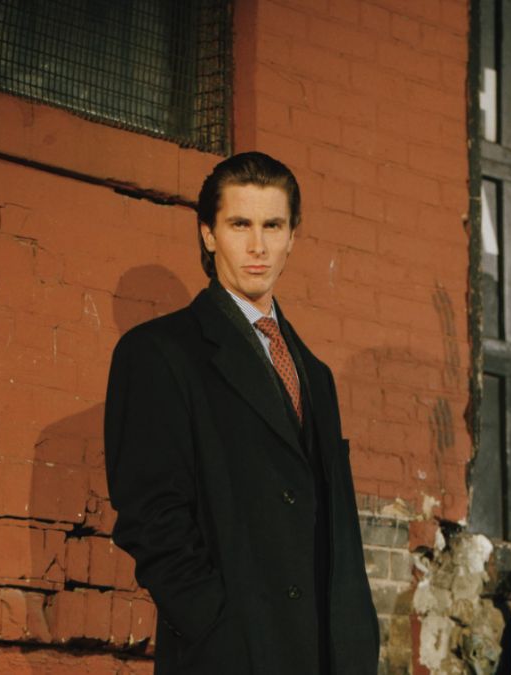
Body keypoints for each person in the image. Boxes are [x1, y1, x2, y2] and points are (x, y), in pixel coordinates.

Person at [104, 152, 379, 674]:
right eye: (240, 224)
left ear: (293, 236)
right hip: (232, 654)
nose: (258, 246)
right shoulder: (160, 353)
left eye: (273, 225)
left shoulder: (314, 374)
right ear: (208, 234)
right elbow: (151, 518)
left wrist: (358, 641)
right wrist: (217, 629)